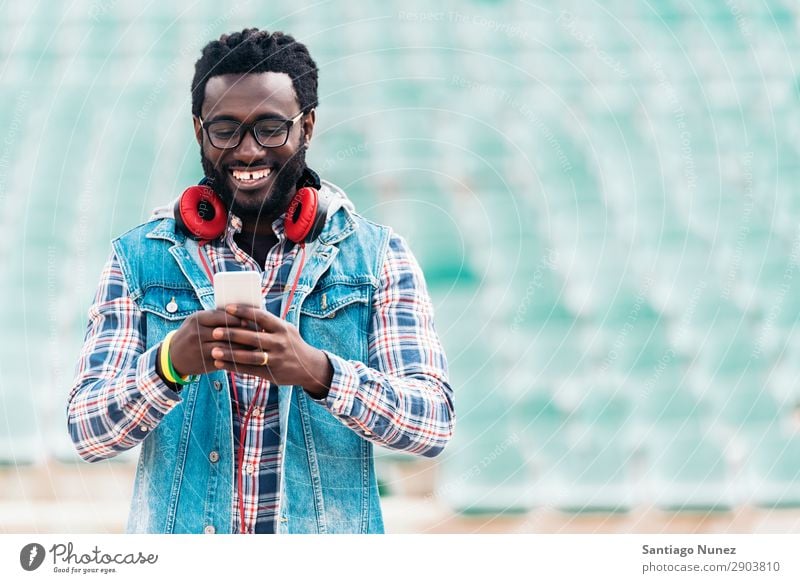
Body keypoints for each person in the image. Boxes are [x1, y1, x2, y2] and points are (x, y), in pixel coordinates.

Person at [67, 28, 455, 534]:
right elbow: (87, 433)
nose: (248, 151)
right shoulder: (138, 258)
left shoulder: (379, 256)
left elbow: (431, 424)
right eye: (225, 129)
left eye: (271, 128)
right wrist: (169, 364)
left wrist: (319, 373)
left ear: (308, 126)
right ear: (198, 130)